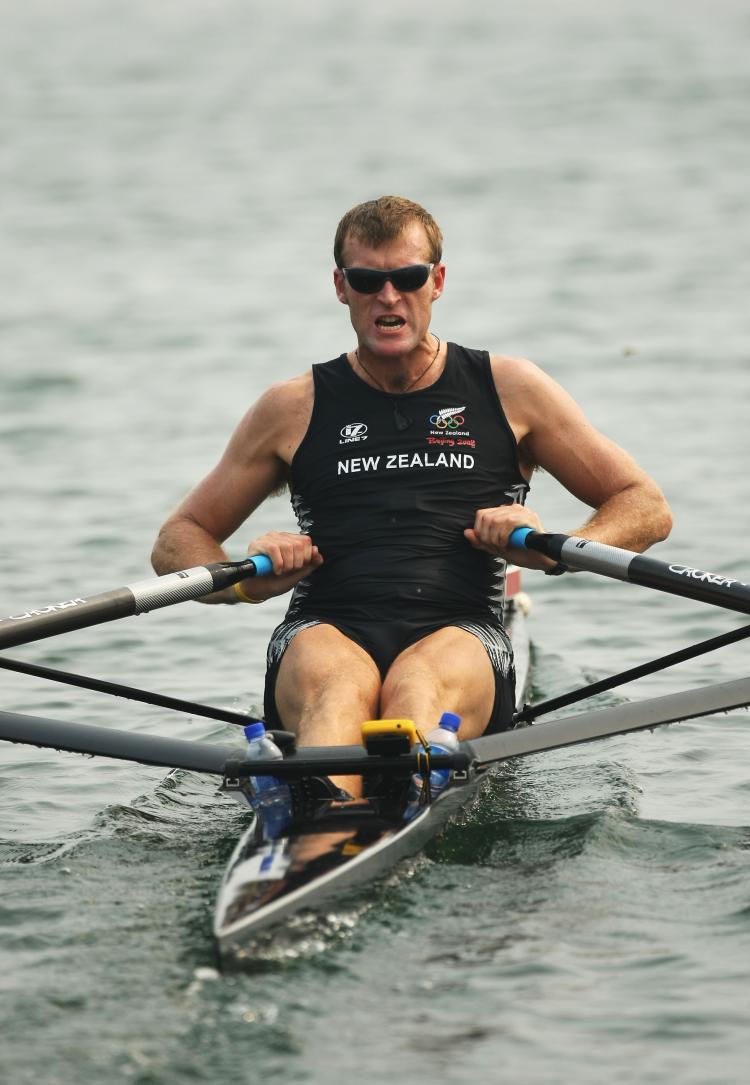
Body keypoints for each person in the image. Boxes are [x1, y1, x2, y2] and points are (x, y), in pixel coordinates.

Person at [151, 195, 672, 772]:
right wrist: (245, 584)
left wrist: (556, 550)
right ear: (341, 286)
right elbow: (179, 538)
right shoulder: (290, 408)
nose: (388, 296)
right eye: (368, 279)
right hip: (324, 626)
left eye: (407, 276)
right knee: (337, 695)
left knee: (415, 688)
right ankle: (319, 833)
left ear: (438, 281)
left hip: (463, 627)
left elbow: (644, 505)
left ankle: (357, 805)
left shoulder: (511, 388)